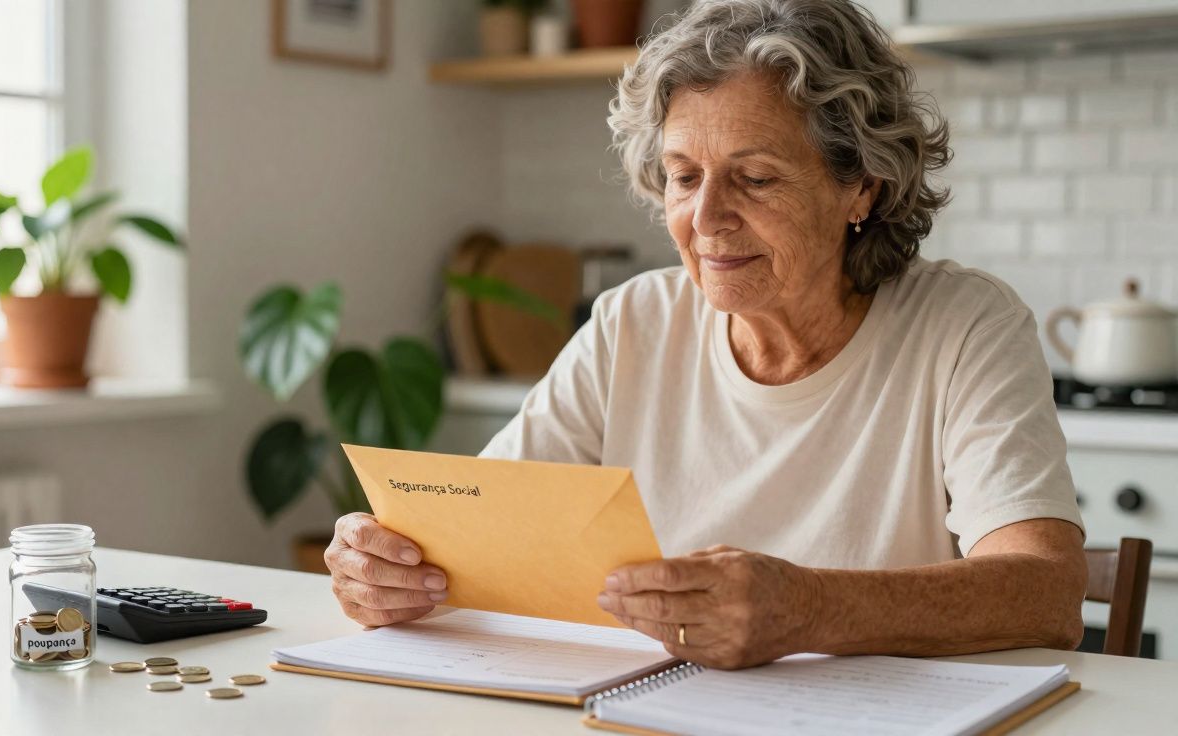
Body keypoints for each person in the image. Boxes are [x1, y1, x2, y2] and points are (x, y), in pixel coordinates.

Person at [324, 0, 1087, 670]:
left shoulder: (965, 326)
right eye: (685, 176)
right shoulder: (631, 323)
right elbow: (477, 537)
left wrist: (808, 608)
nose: (707, 219)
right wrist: (384, 565)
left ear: (862, 186)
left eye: (755, 179)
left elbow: (1046, 593)